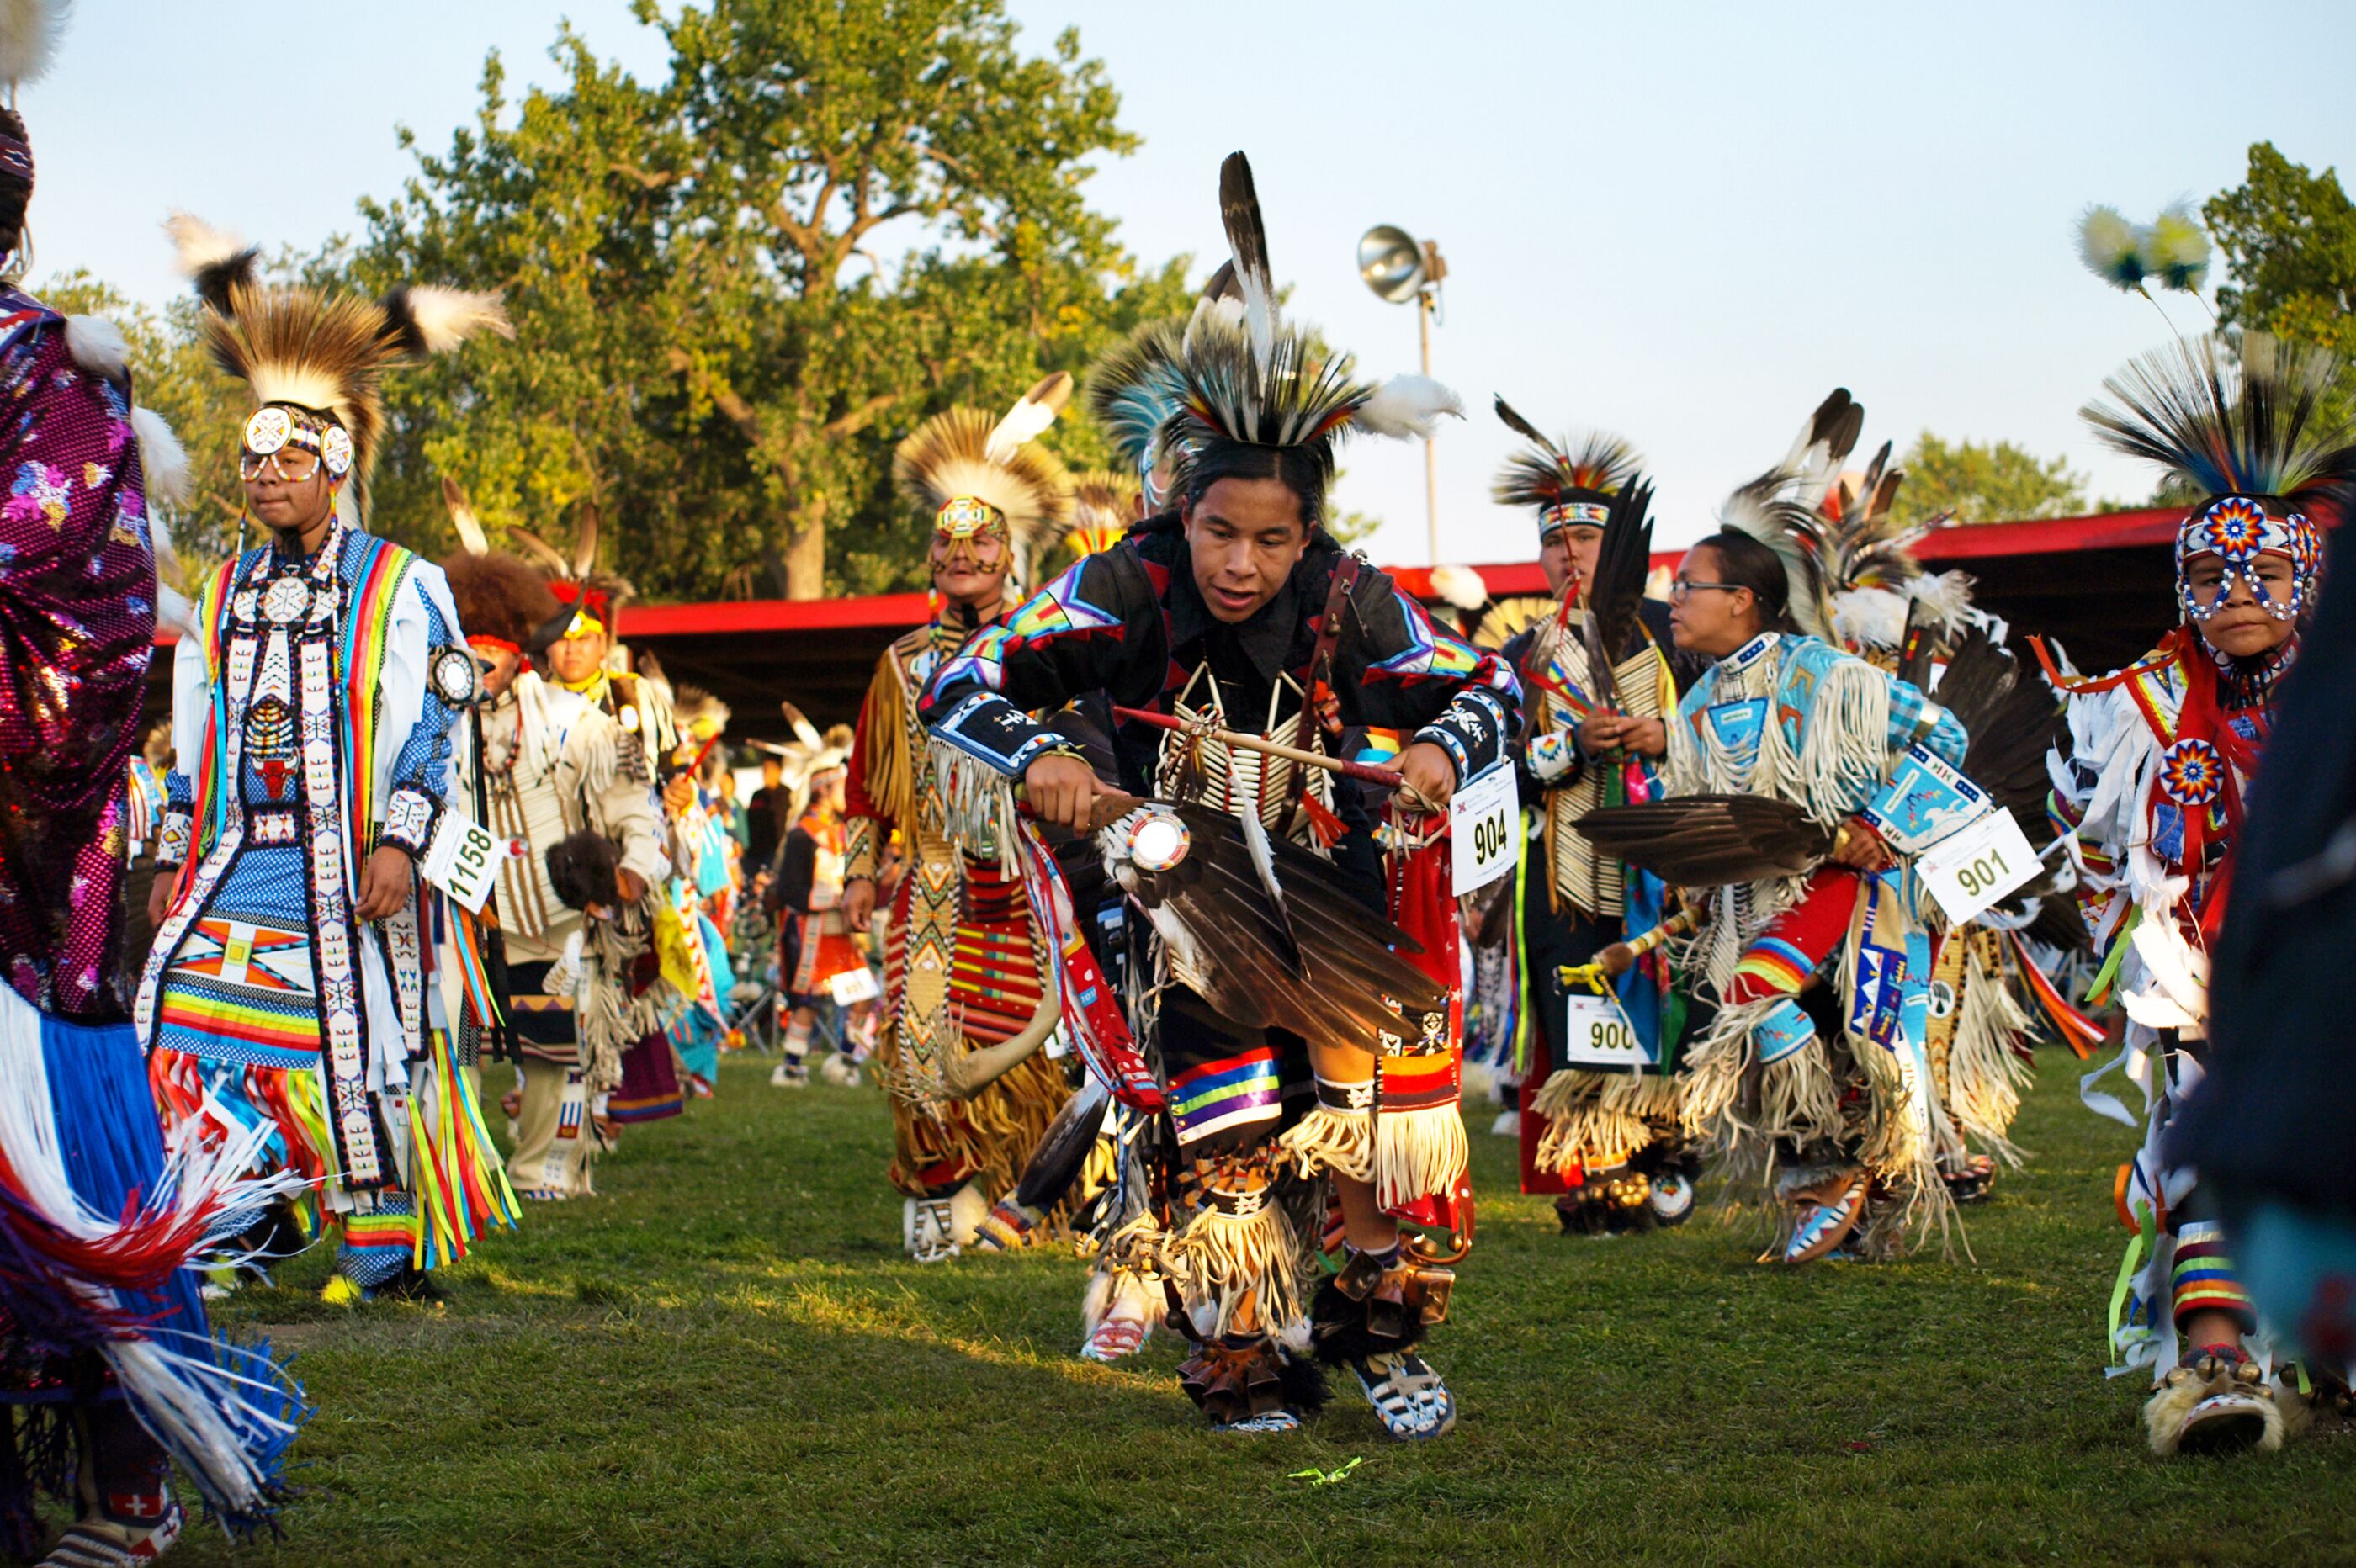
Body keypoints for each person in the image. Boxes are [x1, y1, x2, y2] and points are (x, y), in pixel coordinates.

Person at [923, 152, 1515, 1438]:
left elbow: (1493, 690)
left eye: (1272, 540)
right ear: (1181, 512)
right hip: (1181, 906)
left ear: (1307, 535)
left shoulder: (1351, 593)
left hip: (1333, 888)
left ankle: (1382, 1338)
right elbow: (958, 685)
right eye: (1219, 533)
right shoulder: (1121, 583)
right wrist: (1046, 760)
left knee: (1369, 1128)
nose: (1242, 564)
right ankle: (1244, 1355)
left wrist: (1435, 751)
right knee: (1226, 1133)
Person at [0, 29, 305, 1550]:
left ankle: (127, 1481)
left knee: (57, 1168)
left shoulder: (50, 376)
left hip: (28, 859)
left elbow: (85, 622)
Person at [140, 215, 517, 1302]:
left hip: (357, 862)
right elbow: (191, 731)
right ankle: (236, 1214)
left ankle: (379, 1245)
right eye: (253, 460)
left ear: (335, 466)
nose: (264, 477)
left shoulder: (403, 584)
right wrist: (174, 848)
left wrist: (403, 838)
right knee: (178, 1015)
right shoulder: (223, 592)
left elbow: (444, 712)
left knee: (368, 1042)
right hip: (239, 856)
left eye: (288, 460)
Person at [2048, 331, 2356, 1454]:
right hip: (2196, 979)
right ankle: (2216, 1369)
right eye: (2212, 574)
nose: (2237, 593)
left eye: (2265, 573)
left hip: (2328, 964)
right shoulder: (2126, 706)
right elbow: (2081, 846)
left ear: (2308, 577)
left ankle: (2329, 1353)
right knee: (2206, 1145)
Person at [1587, 395, 1974, 1264]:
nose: (1672, 600)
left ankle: (1838, 1178)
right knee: (1804, 1034)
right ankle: (1841, 1193)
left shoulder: (1823, 673)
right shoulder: (1697, 704)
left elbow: (1942, 735)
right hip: (1755, 896)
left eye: (1687, 586)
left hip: (1856, 883)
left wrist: (1880, 824)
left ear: (1746, 600)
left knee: (1762, 991)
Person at [839, 373, 1081, 1262]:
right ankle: (940, 1189)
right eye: (950, 549)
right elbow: (868, 783)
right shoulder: (901, 663)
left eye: (982, 547)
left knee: (1025, 1035)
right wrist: (861, 873)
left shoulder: (1048, 651)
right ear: (933, 562)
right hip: (932, 877)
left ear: (1008, 559)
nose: (964, 559)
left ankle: (1027, 1189)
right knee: (921, 1040)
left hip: (1025, 878)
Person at [1485, 400, 1698, 1235]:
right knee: (1584, 998)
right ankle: (1601, 1161)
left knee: (1669, 992)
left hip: (1668, 862)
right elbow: (1497, 769)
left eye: (1585, 538)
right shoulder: (1520, 657)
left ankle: (1668, 1147)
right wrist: (1566, 748)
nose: (1568, 553)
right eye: (1553, 541)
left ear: (1621, 547)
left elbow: (1729, 730)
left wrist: (1658, 733)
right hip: (1565, 868)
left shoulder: (1672, 632)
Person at [440, 548, 670, 1199]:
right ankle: (459, 1170)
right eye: (471, 653)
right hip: (457, 912)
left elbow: (634, 806)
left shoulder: (576, 724)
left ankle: (544, 1170)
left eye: (494, 654)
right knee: (452, 1047)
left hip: (550, 912)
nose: (483, 667)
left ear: (521, 653)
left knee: (552, 1046)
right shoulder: (431, 723)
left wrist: (631, 871)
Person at [768, 730, 876, 1087]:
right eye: (842, 787)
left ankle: (846, 1059)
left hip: (839, 934)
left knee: (863, 994)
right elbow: (790, 890)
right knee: (809, 1002)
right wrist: (833, 899)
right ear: (823, 790)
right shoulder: (802, 835)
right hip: (809, 935)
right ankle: (791, 1066)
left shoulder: (841, 834)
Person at [746, 752, 790, 877]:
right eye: (764, 769)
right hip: (757, 853)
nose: (766, 773)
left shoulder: (787, 795)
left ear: (779, 771)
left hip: (778, 852)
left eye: (770, 769)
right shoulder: (757, 795)